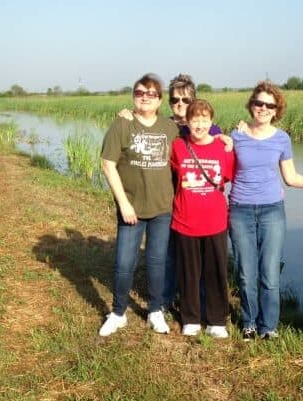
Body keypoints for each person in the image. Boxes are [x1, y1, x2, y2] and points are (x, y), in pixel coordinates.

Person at [229, 81, 303, 341]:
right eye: (258, 103)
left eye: (269, 105)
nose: (262, 108)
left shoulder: (282, 138)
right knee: (245, 273)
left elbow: (291, 177)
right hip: (239, 210)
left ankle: (268, 327)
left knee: (270, 274)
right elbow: (207, 144)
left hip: (271, 212)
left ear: (277, 110)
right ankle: (249, 323)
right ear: (251, 105)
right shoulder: (236, 135)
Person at [118, 74, 228, 313]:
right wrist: (126, 114)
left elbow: (221, 157)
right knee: (168, 254)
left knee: (197, 256)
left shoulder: (208, 128)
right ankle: (165, 300)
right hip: (167, 200)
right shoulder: (163, 125)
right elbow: (139, 128)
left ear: (194, 101)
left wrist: (227, 139)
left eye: (185, 100)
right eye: (174, 100)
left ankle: (199, 303)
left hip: (196, 202)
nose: (179, 105)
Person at [98, 73, 179, 337]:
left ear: (159, 100)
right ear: (134, 96)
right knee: (124, 263)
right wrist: (123, 204)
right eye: (139, 92)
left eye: (151, 94)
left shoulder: (169, 127)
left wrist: (225, 139)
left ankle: (155, 310)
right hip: (131, 208)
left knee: (157, 262)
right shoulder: (122, 124)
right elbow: (108, 164)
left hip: (162, 208)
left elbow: (198, 138)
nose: (145, 97)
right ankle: (118, 312)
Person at [169, 99, 234, 338]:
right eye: (194, 119)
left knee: (216, 272)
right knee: (188, 272)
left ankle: (217, 320)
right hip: (185, 220)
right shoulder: (177, 146)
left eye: (204, 119)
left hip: (215, 221)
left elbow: (227, 177)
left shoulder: (223, 148)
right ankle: (191, 318)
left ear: (211, 122)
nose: (199, 124)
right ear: (186, 121)